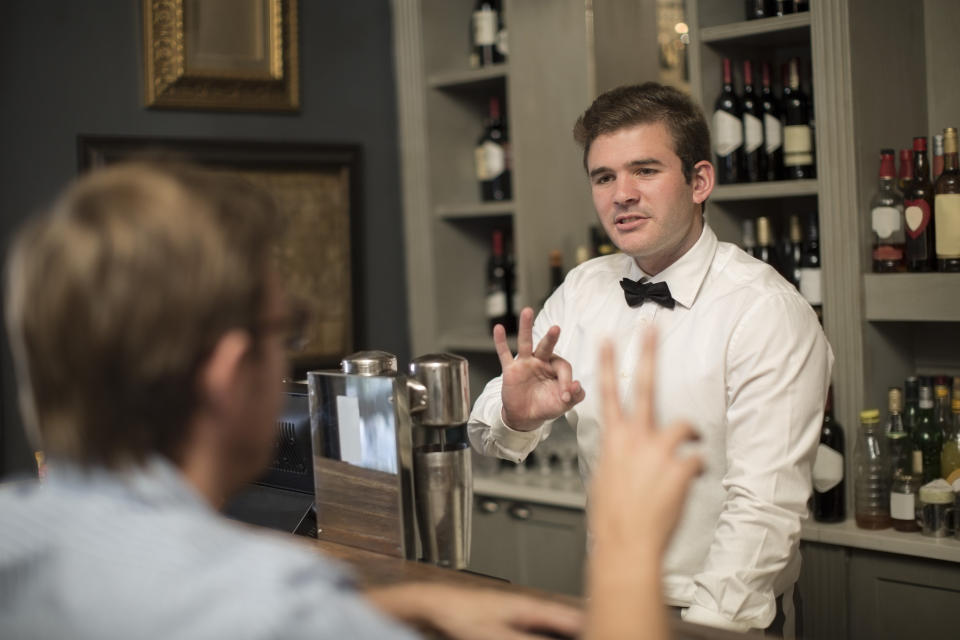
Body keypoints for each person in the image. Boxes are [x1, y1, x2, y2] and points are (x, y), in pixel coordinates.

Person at [0, 162, 701, 640]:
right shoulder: (272, 605)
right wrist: (630, 552)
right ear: (230, 369)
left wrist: (405, 599)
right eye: (287, 331)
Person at [469, 82, 833, 634]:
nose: (622, 194)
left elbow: (765, 508)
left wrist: (706, 628)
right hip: (609, 598)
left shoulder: (767, 312)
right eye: (604, 177)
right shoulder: (583, 289)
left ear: (699, 181)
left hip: (720, 612)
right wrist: (519, 412)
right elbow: (488, 436)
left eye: (645, 170)